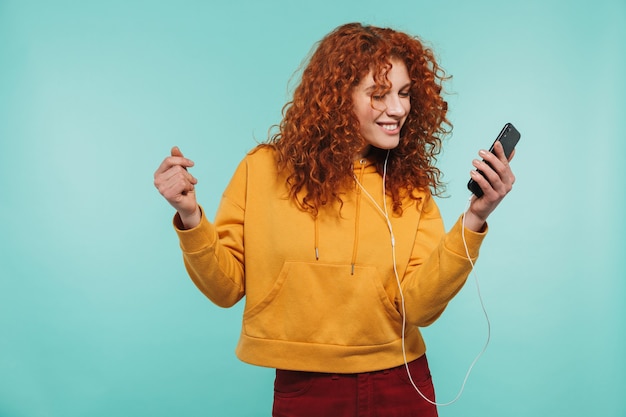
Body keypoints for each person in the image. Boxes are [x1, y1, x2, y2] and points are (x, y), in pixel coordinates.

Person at [154, 22, 516, 417]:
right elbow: (224, 288)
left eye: (404, 93)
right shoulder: (261, 170)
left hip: (400, 381)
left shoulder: (408, 188)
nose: (398, 109)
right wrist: (190, 215)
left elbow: (420, 308)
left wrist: (475, 217)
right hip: (305, 384)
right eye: (379, 94)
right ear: (337, 98)